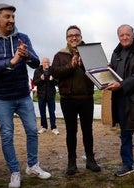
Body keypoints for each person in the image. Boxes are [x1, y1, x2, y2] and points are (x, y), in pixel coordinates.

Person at [0, 4, 51, 188]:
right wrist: (11, 61)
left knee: (33, 131)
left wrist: (26, 56)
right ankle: (14, 172)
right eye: (7, 17)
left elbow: (35, 63)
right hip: (1, 97)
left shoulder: (22, 37)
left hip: (23, 95)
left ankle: (33, 166)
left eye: (13, 17)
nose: (12, 20)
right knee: (7, 135)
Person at [51, 25, 101, 175]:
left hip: (87, 98)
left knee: (88, 131)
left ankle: (90, 160)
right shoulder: (60, 55)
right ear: (67, 39)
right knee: (71, 131)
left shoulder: (91, 52)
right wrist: (70, 66)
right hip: (68, 99)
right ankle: (71, 162)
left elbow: (98, 69)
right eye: (70, 35)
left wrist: (84, 63)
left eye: (76, 35)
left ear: (81, 36)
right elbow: (55, 72)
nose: (74, 37)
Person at [106, 24, 134, 182]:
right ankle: (127, 165)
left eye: (127, 34)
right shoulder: (115, 53)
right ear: (118, 36)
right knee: (124, 137)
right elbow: (113, 75)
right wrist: (107, 73)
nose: (124, 37)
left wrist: (122, 84)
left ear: (133, 34)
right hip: (120, 102)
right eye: (121, 35)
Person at [33, 57, 59, 135]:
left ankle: (54, 128)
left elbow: (57, 82)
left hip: (51, 94)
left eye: (48, 62)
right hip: (41, 95)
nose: (47, 64)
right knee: (42, 112)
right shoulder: (37, 71)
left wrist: (53, 79)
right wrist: (40, 79)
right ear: (42, 63)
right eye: (45, 62)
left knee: (52, 112)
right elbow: (35, 82)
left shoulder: (53, 70)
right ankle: (44, 127)